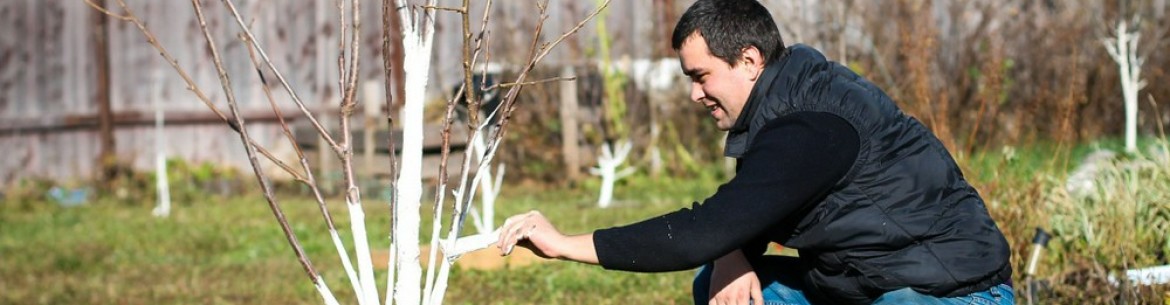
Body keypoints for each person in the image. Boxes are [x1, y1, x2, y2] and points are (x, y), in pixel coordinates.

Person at [496, 0, 1014, 304]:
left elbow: (702, 230)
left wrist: (564, 243)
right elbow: (746, 208)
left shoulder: (812, 124)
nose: (695, 94)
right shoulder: (781, 101)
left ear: (748, 60)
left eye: (701, 76)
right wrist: (730, 254)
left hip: (950, 294)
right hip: (869, 284)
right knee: (731, 288)